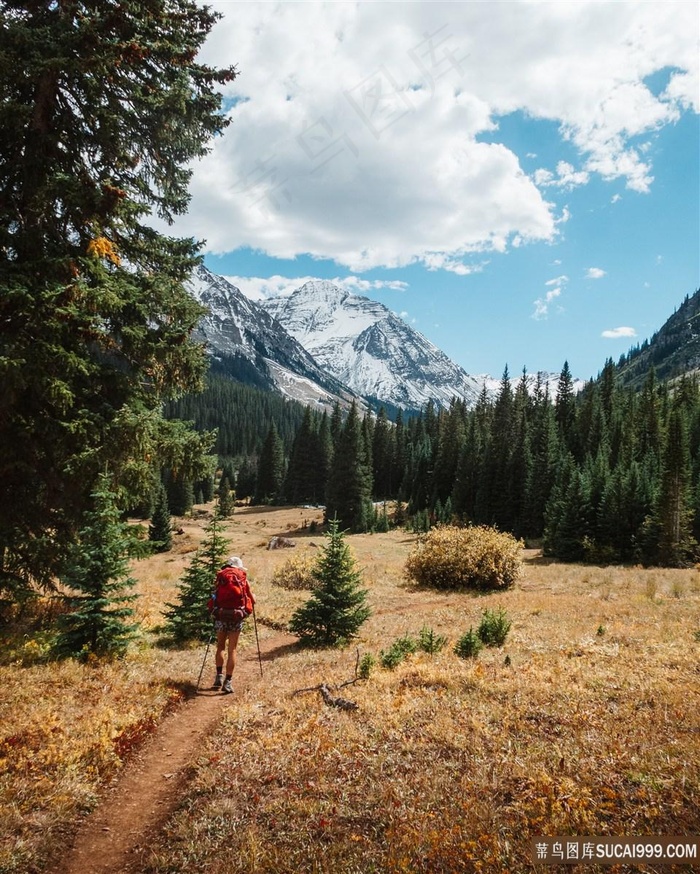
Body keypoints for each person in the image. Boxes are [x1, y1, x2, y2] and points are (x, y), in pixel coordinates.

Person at [208, 556, 255, 694]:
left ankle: (218, 676)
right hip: (236, 617)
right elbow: (252, 599)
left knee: (220, 646)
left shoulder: (220, 578)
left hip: (221, 616)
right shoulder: (242, 579)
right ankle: (228, 682)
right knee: (232, 650)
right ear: (238, 567)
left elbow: (214, 596)